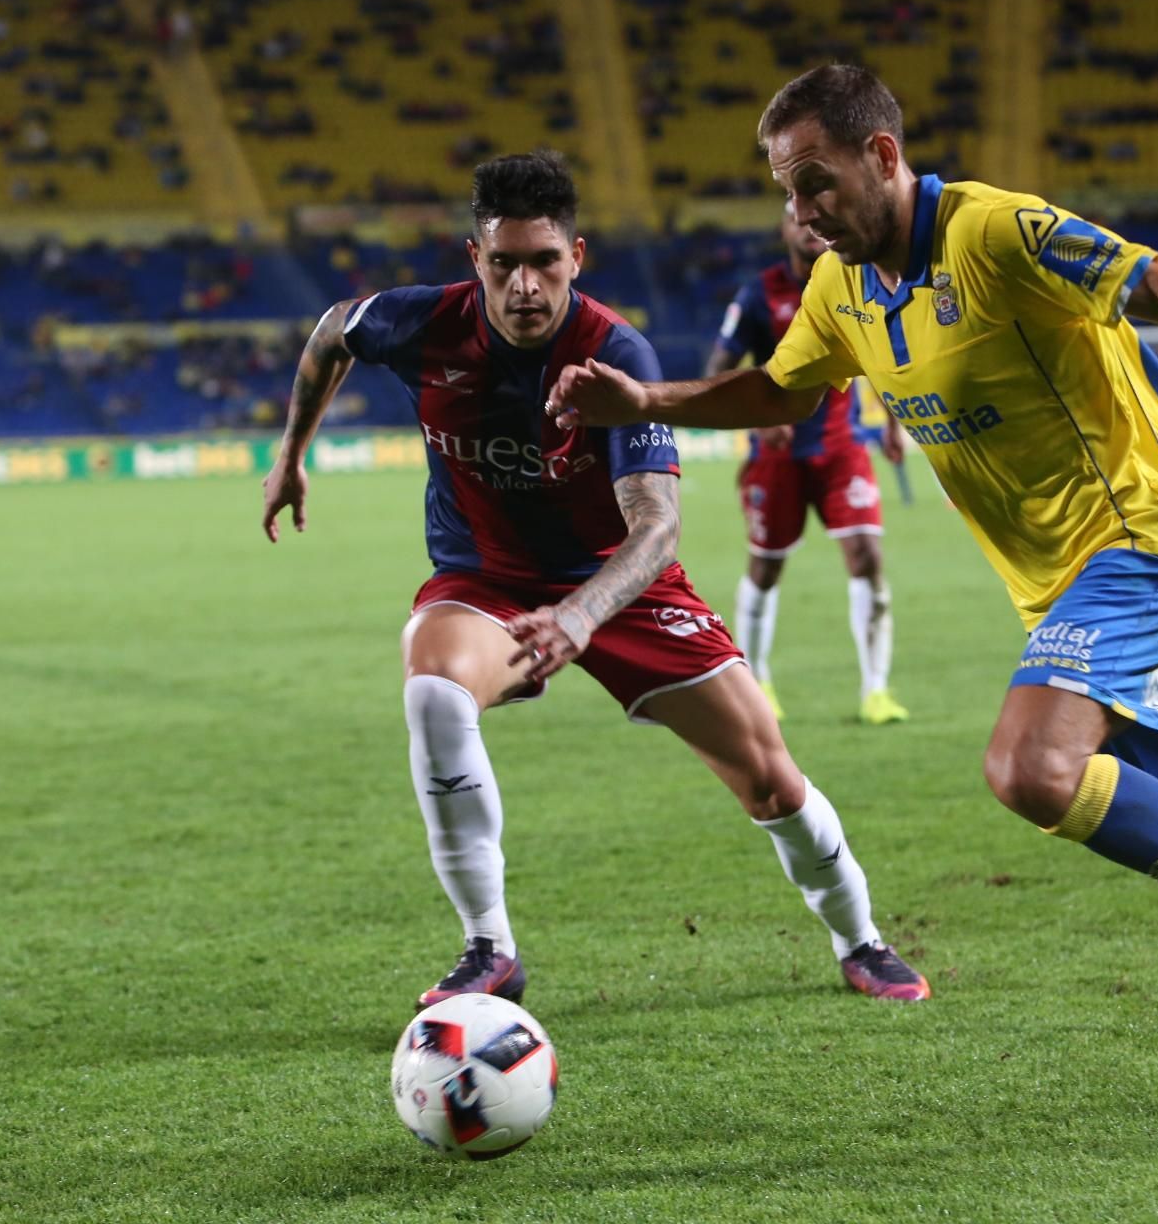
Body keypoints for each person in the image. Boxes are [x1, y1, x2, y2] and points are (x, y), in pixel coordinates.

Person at [552, 66, 1158, 1103]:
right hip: (1066, 588)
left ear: (883, 155)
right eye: (786, 193)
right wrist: (645, 400)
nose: (802, 214)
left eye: (816, 182)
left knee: (1030, 768)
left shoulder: (996, 232)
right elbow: (780, 388)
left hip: (1143, 538)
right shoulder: (841, 287)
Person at [259, 150, 929, 1008]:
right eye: (504, 263)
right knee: (432, 690)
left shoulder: (615, 354)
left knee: (769, 776)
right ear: (475, 259)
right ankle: (489, 947)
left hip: (623, 586)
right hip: (486, 584)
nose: (525, 286)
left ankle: (861, 938)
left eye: (544, 261)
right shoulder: (419, 323)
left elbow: (656, 528)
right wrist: (292, 454)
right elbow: (331, 333)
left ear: (576, 257)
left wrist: (579, 615)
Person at [704, 198, 909, 724]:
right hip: (777, 456)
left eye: (816, 222)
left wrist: (891, 423)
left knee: (867, 557)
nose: (810, 229)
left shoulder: (854, 281)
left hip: (841, 447)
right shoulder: (759, 294)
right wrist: (756, 420)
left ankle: (876, 691)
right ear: (784, 229)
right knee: (766, 567)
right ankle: (758, 683)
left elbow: (879, 355)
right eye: (798, 220)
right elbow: (718, 368)